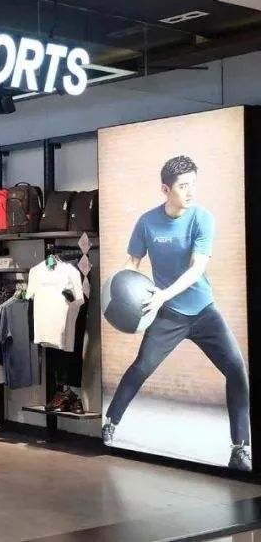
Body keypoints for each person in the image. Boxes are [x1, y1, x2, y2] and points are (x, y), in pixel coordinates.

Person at [103, 155, 251, 471]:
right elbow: (132, 263)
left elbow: (197, 269)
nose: (190, 191)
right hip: (168, 313)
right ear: (165, 189)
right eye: (183, 186)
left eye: (193, 184)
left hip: (203, 310)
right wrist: (119, 292)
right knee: (141, 367)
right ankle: (110, 424)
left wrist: (162, 296)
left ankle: (240, 449)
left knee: (237, 370)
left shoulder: (202, 218)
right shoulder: (147, 222)